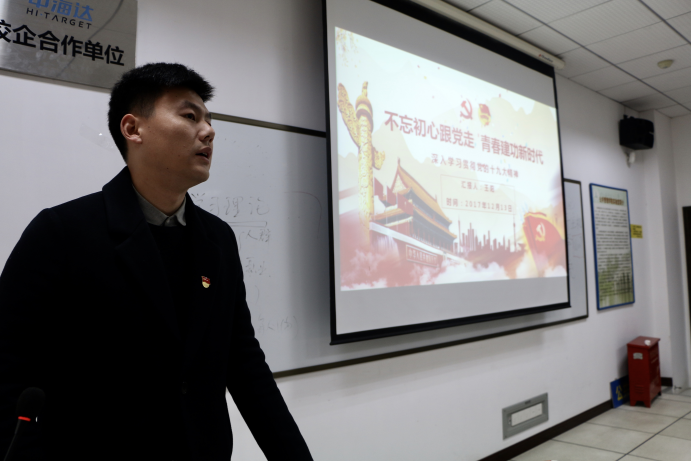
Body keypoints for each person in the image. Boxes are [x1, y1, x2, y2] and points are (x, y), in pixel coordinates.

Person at [0, 63, 313, 461]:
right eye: (190, 116)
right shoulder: (62, 232)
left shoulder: (217, 239)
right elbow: (8, 365)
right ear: (133, 129)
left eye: (209, 119)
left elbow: (243, 360)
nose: (208, 131)